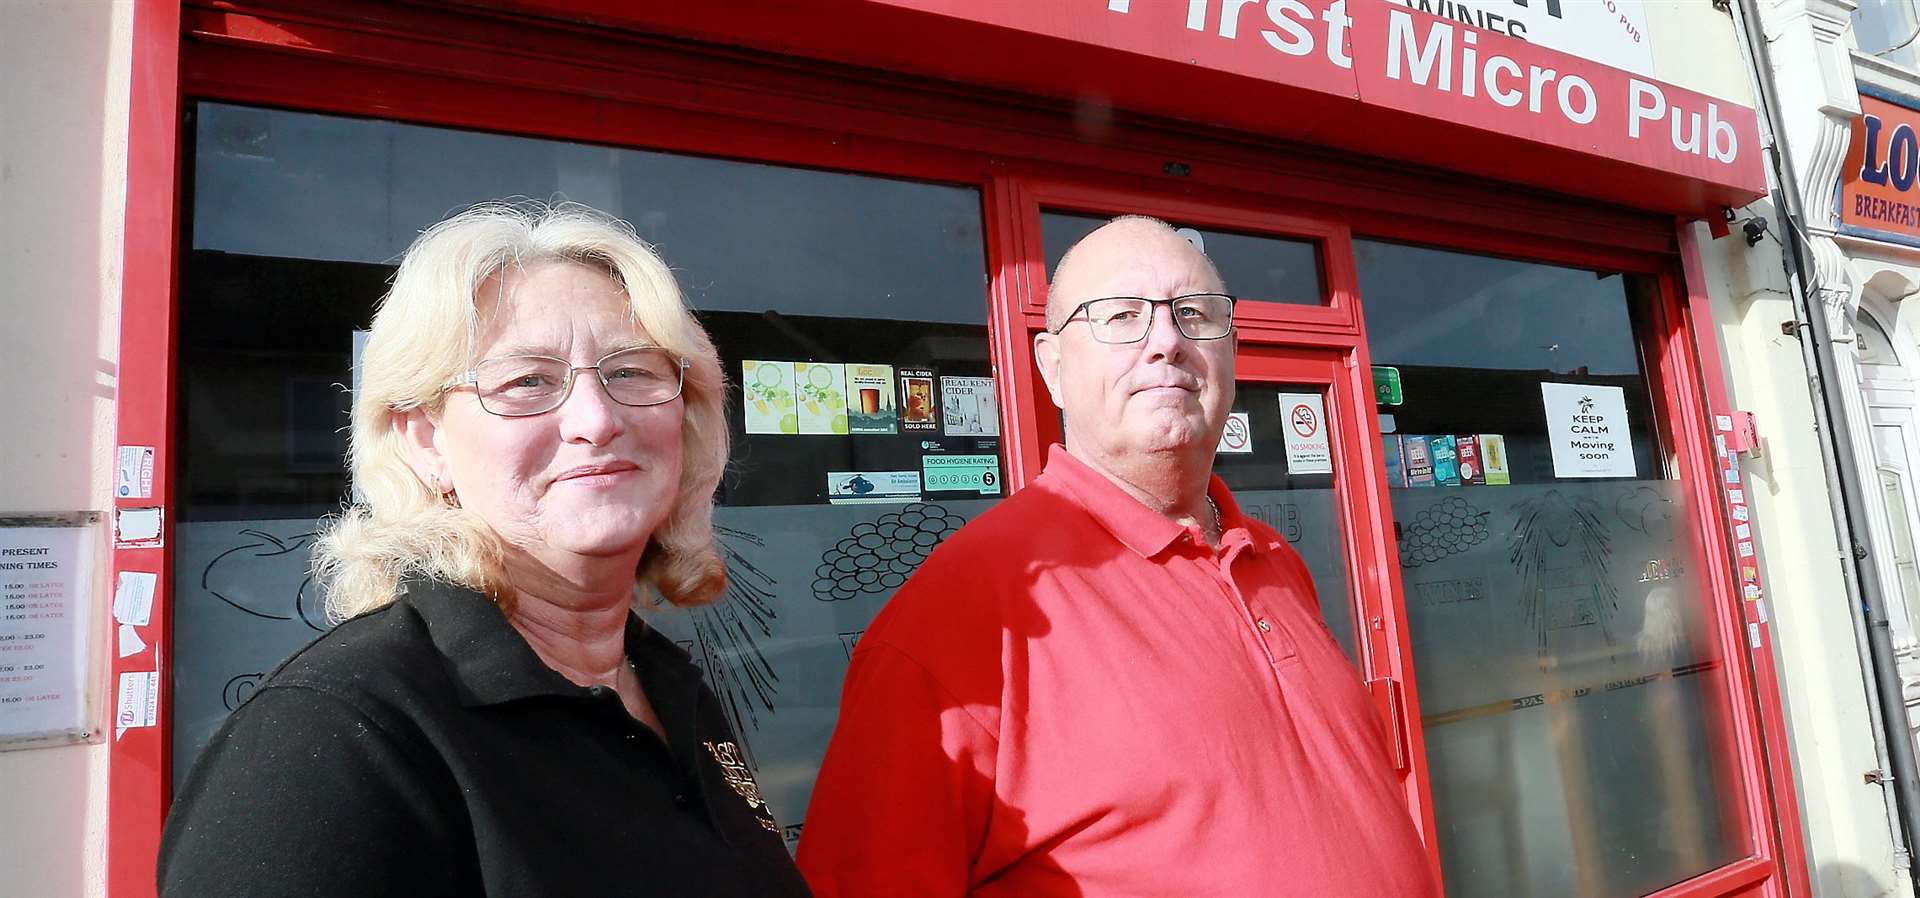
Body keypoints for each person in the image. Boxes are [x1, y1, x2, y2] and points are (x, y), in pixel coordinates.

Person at [158, 202, 811, 897]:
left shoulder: (660, 680)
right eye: (527, 381)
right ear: (424, 439)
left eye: (632, 371)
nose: (597, 420)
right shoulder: (332, 739)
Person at [796, 216, 1439, 897]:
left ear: (1230, 350)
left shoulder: (1273, 558)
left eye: (1194, 314)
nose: (1168, 342)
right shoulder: (965, 613)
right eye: (1121, 316)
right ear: (1051, 367)